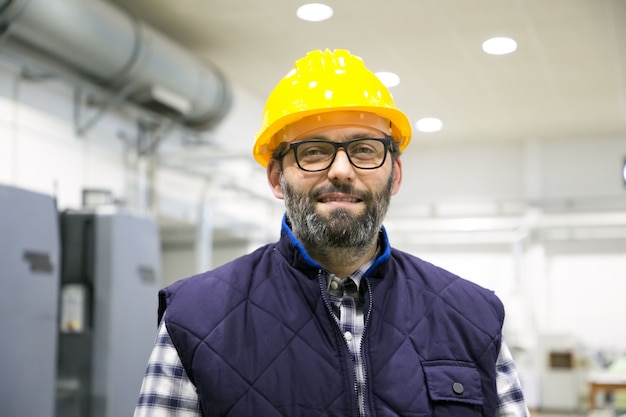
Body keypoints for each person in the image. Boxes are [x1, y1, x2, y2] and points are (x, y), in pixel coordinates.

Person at [134, 49, 530, 417]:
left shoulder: (472, 317)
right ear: (276, 178)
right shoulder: (193, 318)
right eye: (313, 151)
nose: (341, 169)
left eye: (365, 149)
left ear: (395, 175)